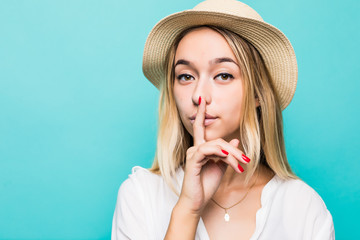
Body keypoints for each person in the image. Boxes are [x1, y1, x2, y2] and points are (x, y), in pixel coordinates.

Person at [111, 0, 335, 239]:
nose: (199, 96)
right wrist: (187, 209)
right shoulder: (141, 195)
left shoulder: (303, 208)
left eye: (223, 75)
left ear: (258, 92)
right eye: (185, 76)